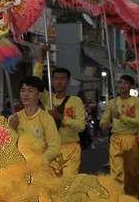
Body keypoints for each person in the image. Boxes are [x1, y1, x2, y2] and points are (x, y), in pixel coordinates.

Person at [33, 46, 85, 176]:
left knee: (68, 184)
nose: (59, 82)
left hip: (71, 149)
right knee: (53, 186)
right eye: (56, 79)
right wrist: (42, 56)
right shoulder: (47, 98)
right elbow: (36, 78)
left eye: (63, 79)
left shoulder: (76, 101)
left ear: (68, 82)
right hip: (51, 148)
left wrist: (60, 117)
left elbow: (81, 126)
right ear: (52, 81)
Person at [99, 75, 139, 196]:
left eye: (126, 83)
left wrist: (121, 117)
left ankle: (133, 192)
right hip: (115, 138)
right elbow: (104, 118)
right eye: (121, 83)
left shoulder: (137, 102)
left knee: (132, 170)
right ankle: (118, 195)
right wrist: (103, 124)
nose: (122, 85)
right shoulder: (113, 102)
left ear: (131, 86)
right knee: (116, 170)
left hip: (130, 138)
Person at [8, 75, 61, 164]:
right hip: (18, 168)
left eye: (30, 90)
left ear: (39, 95)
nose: (25, 94)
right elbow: (5, 146)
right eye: (23, 90)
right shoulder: (13, 118)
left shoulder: (46, 119)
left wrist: (37, 161)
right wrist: (11, 128)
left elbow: (55, 148)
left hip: (40, 169)